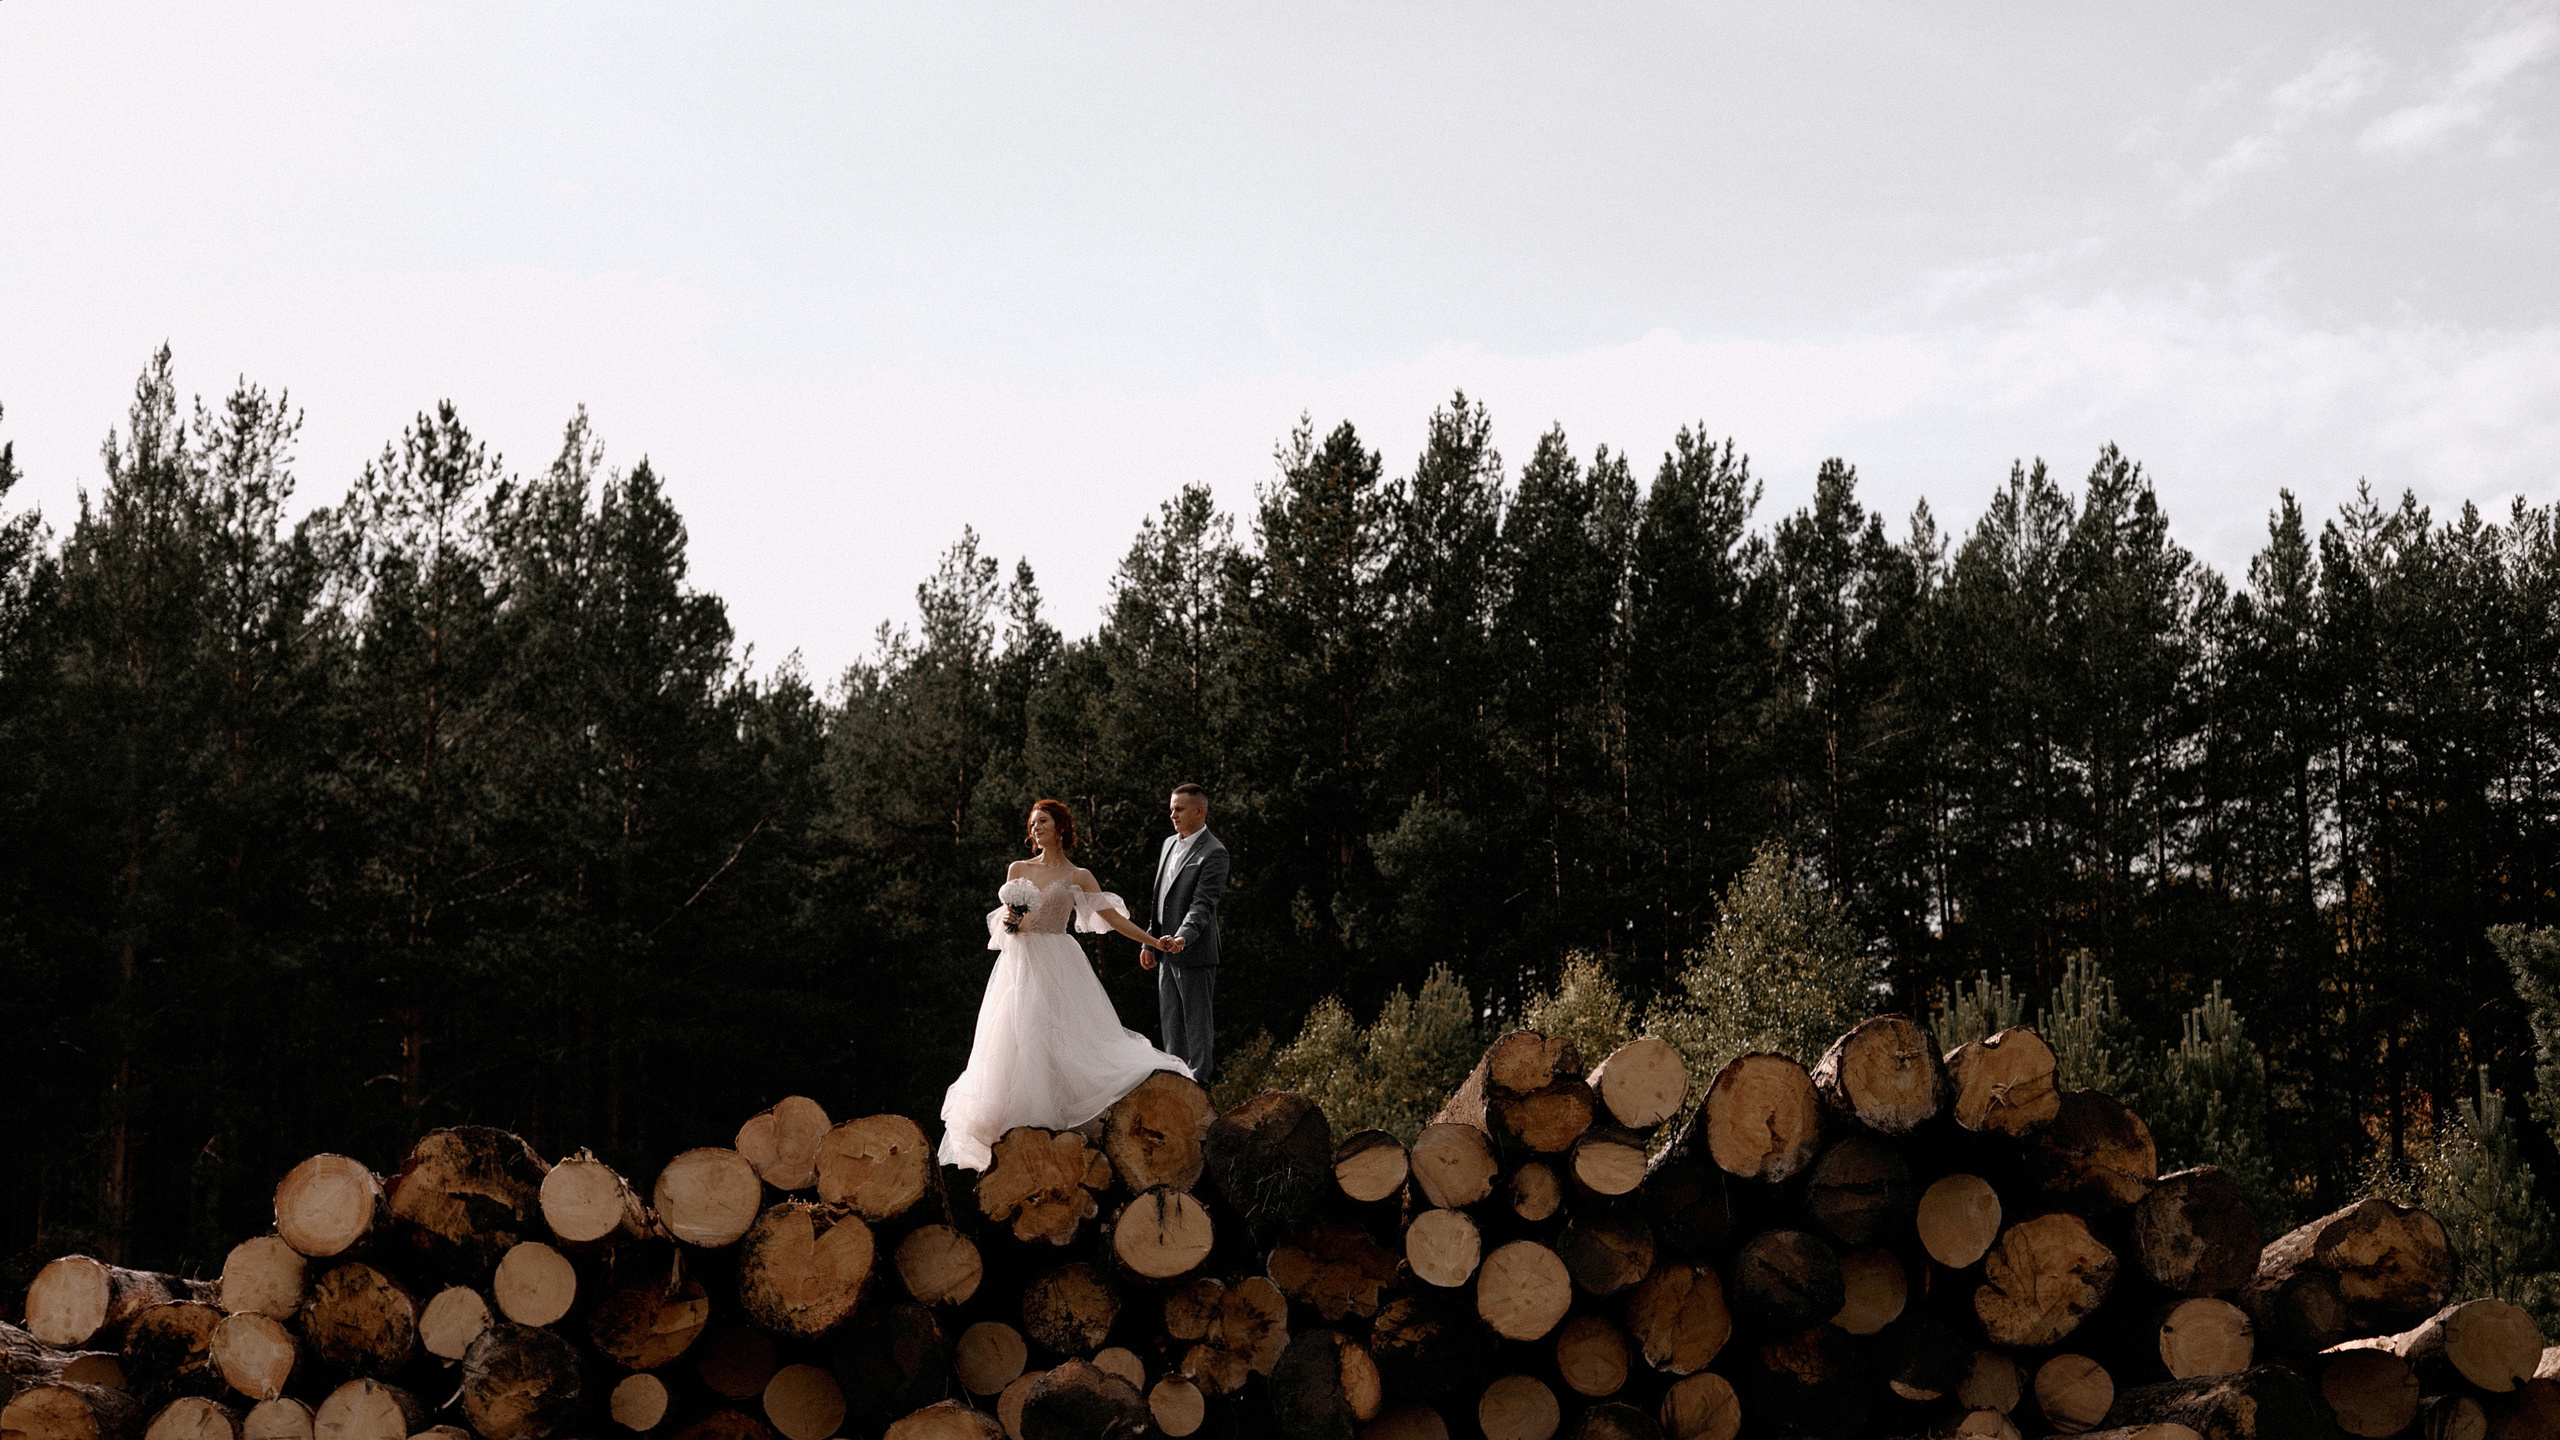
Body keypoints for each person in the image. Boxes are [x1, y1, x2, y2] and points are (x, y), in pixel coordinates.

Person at [936, 799, 1191, 1171]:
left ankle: (1065, 1133)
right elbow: (1007, 931)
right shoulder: (1018, 869)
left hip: (1059, 961)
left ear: (1060, 828)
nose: (1036, 827)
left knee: (1065, 1039)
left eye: (1043, 821)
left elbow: (1113, 919)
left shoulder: (1079, 876)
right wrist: (1011, 922)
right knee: (1017, 1040)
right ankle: (1021, 1137)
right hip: (1020, 966)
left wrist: (1153, 942)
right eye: (1033, 822)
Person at [1142, 783, 1226, 1081]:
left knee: (1197, 1023)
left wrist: (1182, 938)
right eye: (1171, 809)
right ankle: (1174, 1082)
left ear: (1199, 810)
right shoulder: (1168, 844)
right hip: (1165, 951)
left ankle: (1200, 1086)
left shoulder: (1215, 852)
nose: (1172, 815)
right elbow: (1160, 897)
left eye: (1179, 809)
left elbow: (1202, 904)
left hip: (1194, 951)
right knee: (1171, 1023)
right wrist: (1149, 941)